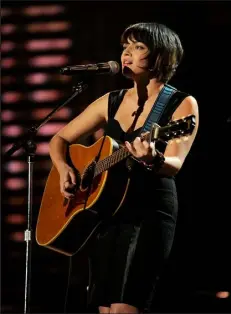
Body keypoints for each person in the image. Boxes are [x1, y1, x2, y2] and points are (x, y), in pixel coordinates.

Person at [49, 22, 199, 314]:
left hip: (148, 211)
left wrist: (151, 159)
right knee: (104, 309)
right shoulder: (111, 100)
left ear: (160, 55)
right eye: (125, 46)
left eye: (138, 47)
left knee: (124, 308)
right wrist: (64, 167)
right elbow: (60, 139)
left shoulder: (182, 104)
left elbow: (175, 164)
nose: (126, 54)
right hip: (106, 212)